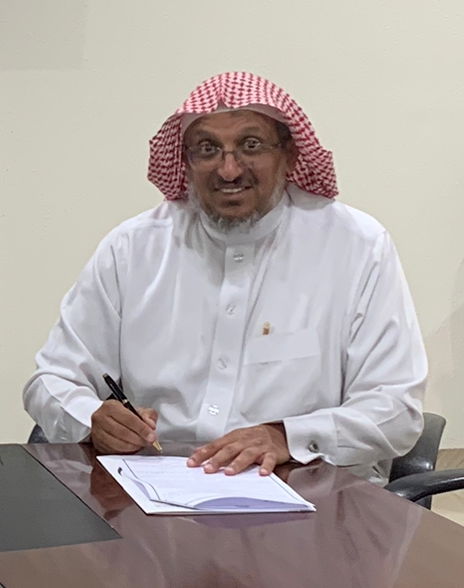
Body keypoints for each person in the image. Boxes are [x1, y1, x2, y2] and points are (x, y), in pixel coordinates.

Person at [24, 72, 427, 482]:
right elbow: (51, 380)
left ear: (289, 155)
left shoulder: (356, 246)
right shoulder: (133, 248)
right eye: (207, 149)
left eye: (251, 146)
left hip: (308, 492)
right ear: (186, 161)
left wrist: (286, 437)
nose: (229, 170)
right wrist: (92, 417)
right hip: (157, 489)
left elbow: (396, 410)